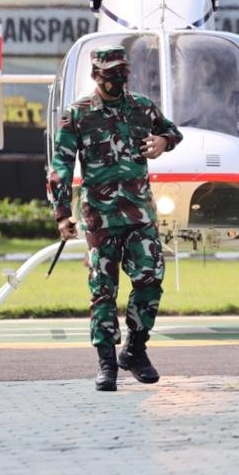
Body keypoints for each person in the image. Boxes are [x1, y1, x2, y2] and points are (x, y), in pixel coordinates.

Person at [47, 45, 183, 392]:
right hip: (100, 218)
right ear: (96, 75)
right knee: (103, 291)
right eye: (110, 74)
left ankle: (135, 350)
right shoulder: (77, 114)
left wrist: (162, 142)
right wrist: (62, 214)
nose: (118, 79)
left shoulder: (141, 107)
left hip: (140, 212)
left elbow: (173, 132)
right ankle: (106, 363)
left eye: (123, 72)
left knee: (150, 278)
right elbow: (60, 167)